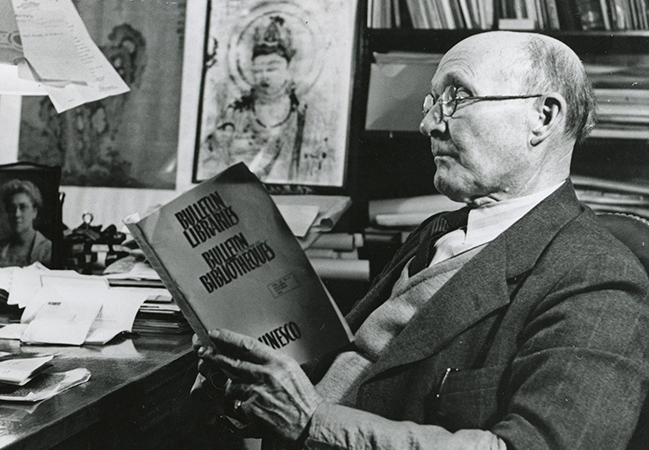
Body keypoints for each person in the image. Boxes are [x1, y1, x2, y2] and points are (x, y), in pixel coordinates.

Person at [193, 31, 649, 449]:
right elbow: (348, 375)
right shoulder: (438, 231)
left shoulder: (599, 279)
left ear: (543, 117)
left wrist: (313, 422)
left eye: (457, 96)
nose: (428, 125)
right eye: (431, 102)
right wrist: (247, 381)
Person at [198, 16, 334, 184]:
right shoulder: (234, 115)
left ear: (289, 68)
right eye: (258, 70)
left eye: (272, 68)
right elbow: (209, 163)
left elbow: (323, 170)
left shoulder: (308, 119)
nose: (264, 76)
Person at [0, 179, 52, 269]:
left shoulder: (47, 249)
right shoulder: (0, 249)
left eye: (23, 207)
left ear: (34, 212)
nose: (17, 214)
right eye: (12, 208)